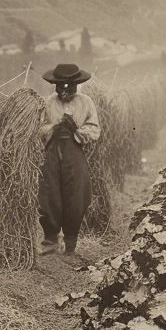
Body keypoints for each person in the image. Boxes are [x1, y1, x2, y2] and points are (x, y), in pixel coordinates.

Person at [38, 62, 101, 256]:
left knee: (76, 195)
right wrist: (54, 128)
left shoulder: (85, 102)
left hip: (74, 151)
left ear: (76, 84)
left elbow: (94, 129)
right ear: (55, 85)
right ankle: (50, 240)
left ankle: (71, 242)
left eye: (69, 85)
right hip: (52, 151)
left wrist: (75, 129)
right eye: (60, 85)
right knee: (49, 194)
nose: (65, 89)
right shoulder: (47, 103)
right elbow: (38, 128)